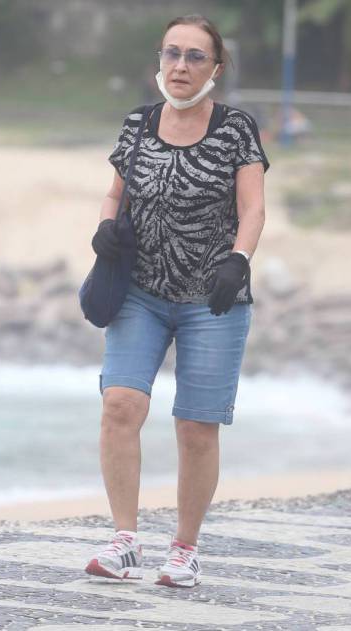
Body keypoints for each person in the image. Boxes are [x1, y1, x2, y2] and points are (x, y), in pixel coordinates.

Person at [83, 14, 268, 588]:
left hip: (213, 300)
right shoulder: (138, 124)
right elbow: (114, 194)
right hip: (140, 292)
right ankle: (124, 540)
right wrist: (105, 229)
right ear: (159, 61)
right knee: (120, 405)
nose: (181, 65)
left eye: (194, 56)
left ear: (216, 68)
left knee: (196, 425)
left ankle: (185, 549)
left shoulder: (236, 128)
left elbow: (253, 208)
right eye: (172, 53)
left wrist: (238, 260)